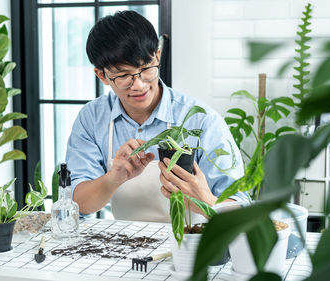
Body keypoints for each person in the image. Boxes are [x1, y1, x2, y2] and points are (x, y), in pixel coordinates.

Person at [65, 10, 247, 223]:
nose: (139, 85)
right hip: (123, 245)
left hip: (193, 245)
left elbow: (242, 207)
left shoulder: (201, 120)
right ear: (102, 75)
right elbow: (79, 205)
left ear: (158, 57)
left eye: (146, 69)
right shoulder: (92, 118)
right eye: (124, 76)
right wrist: (112, 178)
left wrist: (205, 200)